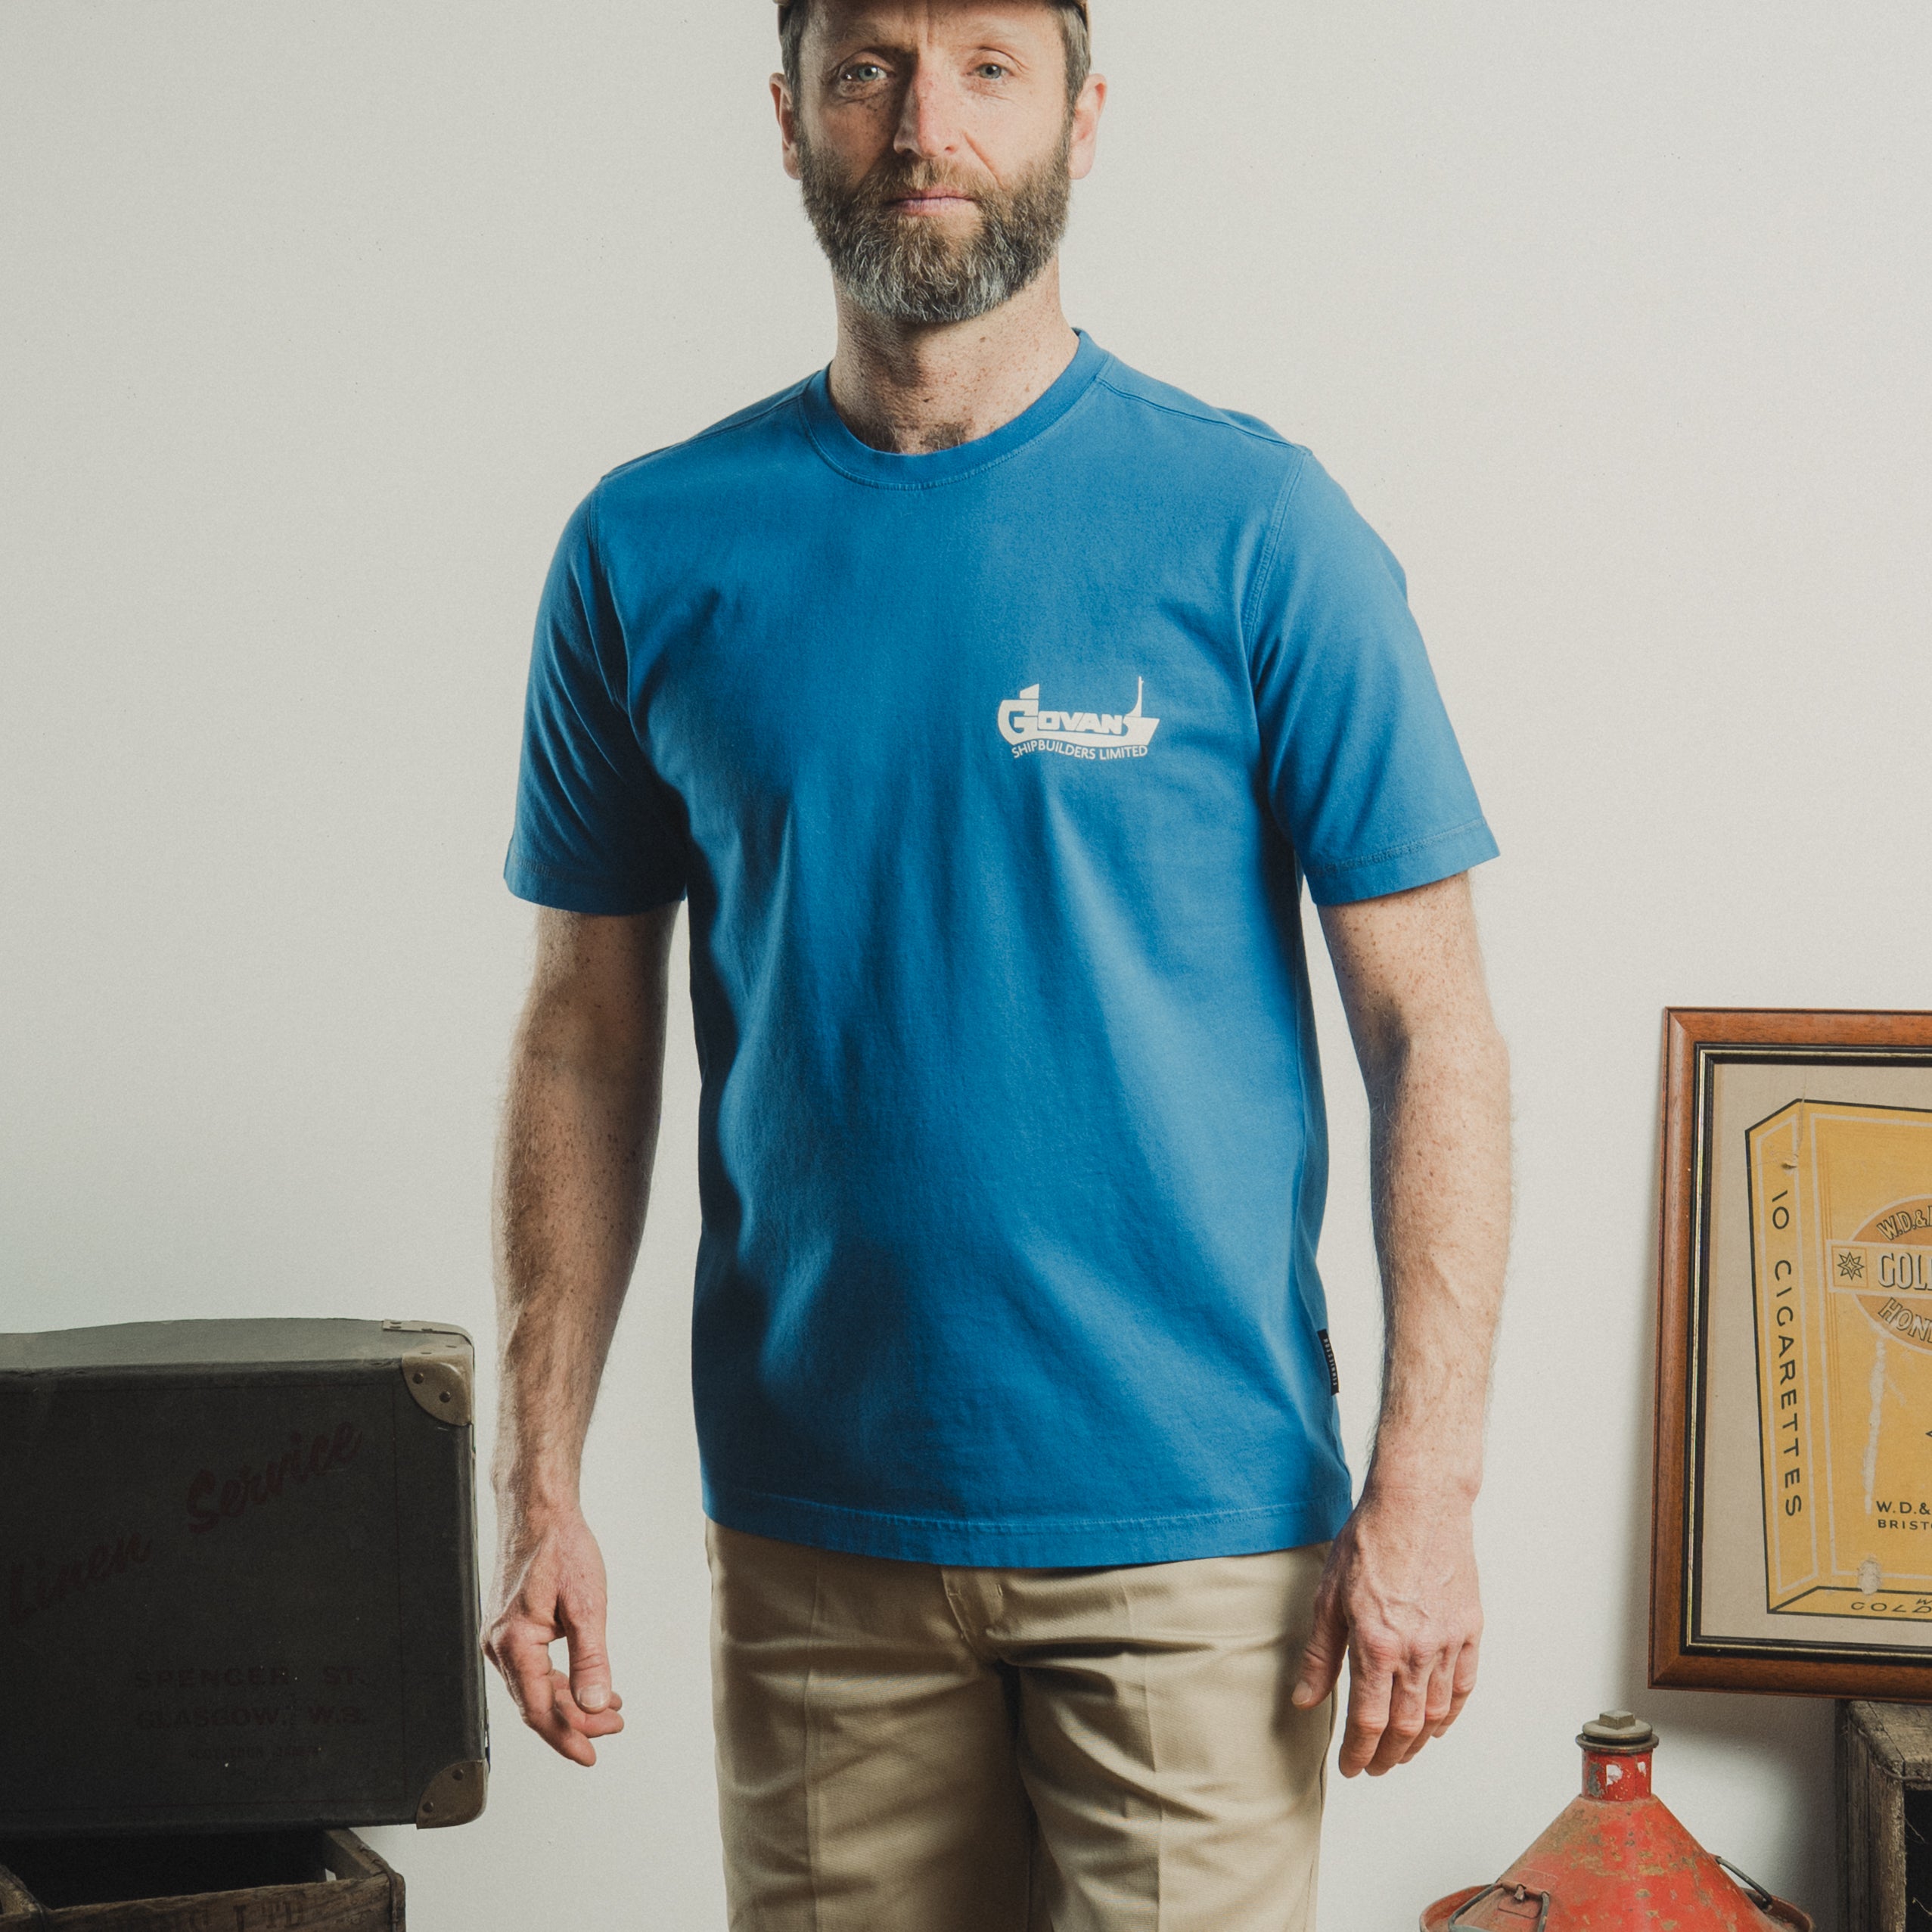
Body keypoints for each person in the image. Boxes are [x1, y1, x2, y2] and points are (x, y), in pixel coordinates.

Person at [485, 1, 1512, 1925]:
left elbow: (1429, 1024)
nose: (921, 124)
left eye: (985, 66)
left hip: (1196, 1548)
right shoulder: (647, 545)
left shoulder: (1253, 527)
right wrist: (537, 1485)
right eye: (866, 67)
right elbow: (583, 1039)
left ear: (1082, 117)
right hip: (812, 1544)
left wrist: (1427, 1492)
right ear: (784, 118)